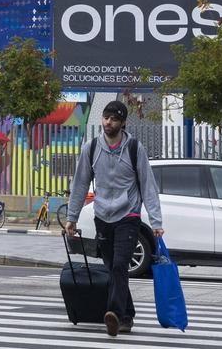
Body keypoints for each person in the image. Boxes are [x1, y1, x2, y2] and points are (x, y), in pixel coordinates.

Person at [65, 100, 164, 337]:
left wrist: (156, 221)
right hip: (102, 216)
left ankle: (114, 313)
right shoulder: (91, 148)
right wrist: (72, 217)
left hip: (128, 215)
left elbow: (148, 184)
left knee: (120, 265)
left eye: (114, 119)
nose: (108, 122)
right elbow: (80, 183)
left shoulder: (133, 148)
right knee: (112, 268)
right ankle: (127, 316)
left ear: (122, 122)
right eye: (106, 118)